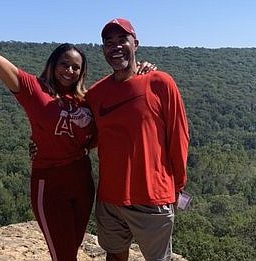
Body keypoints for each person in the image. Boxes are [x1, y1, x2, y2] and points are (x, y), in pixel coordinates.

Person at [0, 2, 155, 260]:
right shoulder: (34, 90)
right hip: (49, 184)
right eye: (64, 64)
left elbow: (109, 125)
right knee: (63, 255)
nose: (69, 70)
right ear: (53, 64)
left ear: (82, 72)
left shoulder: (87, 98)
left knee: (71, 250)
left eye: (76, 67)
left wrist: (142, 74)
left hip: (82, 182)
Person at [85, 18, 190, 261]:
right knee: (115, 256)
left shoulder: (159, 83)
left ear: (136, 44)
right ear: (103, 50)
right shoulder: (97, 93)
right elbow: (80, 132)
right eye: (109, 42)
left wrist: (178, 187)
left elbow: (179, 136)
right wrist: (42, 143)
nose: (116, 46)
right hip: (110, 197)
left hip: (152, 196)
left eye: (123, 39)